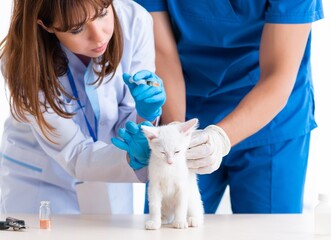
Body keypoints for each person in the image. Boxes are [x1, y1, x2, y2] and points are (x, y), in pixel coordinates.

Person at [119, 0, 324, 214]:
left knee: (268, 230)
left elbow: (277, 74)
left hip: (271, 121)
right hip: (186, 110)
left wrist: (219, 138)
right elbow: (163, 55)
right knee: (172, 220)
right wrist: (176, 132)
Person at [0, 0, 166, 214]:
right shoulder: (23, 65)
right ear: (46, 25)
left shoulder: (134, 20)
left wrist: (146, 114)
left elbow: (129, 128)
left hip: (111, 178)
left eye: (103, 13)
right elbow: (74, 152)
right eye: (77, 28)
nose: (99, 36)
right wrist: (130, 158)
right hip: (43, 181)